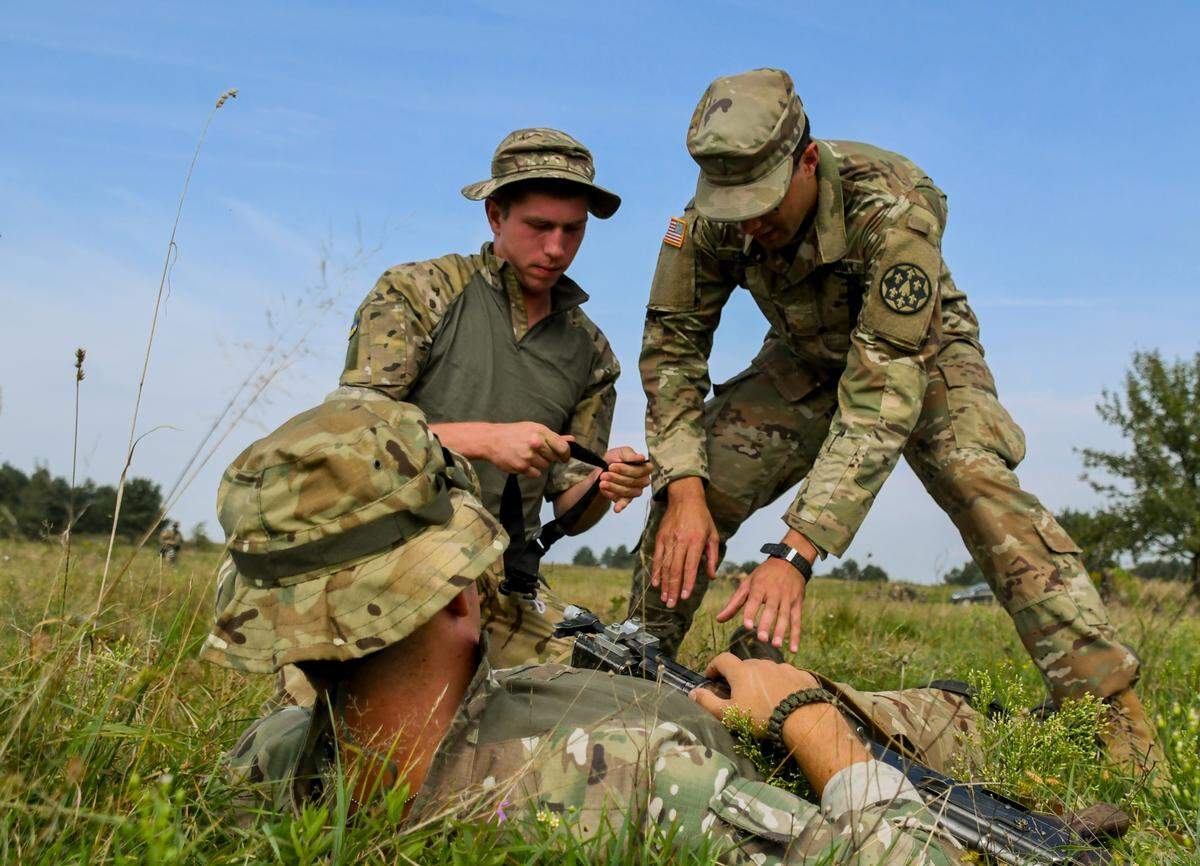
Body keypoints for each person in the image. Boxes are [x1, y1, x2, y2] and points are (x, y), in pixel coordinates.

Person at [629, 68, 1161, 774]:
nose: (749, 222)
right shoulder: (706, 223)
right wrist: (685, 487)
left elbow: (881, 392)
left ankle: (1112, 719)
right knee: (701, 484)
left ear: (807, 161)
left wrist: (797, 550)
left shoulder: (894, 204)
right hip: (802, 358)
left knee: (982, 490)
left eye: (763, 200)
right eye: (732, 205)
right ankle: (635, 661)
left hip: (920, 354)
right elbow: (671, 347)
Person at [203, 390, 973, 864]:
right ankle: (958, 715)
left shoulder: (263, 762)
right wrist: (808, 719)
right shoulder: (627, 777)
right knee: (908, 714)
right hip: (759, 729)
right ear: (457, 596)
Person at [339, 128, 652, 667]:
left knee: (617, 696)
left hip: (504, 585)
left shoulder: (592, 353)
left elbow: (571, 510)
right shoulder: (420, 291)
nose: (556, 249)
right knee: (338, 729)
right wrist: (485, 440)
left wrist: (604, 481)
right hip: (385, 566)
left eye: (573, 231)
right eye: (539, 227)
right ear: (495, 216)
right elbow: (348, 433)